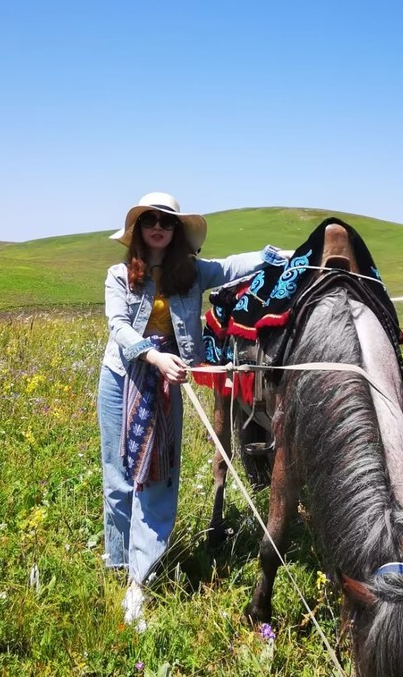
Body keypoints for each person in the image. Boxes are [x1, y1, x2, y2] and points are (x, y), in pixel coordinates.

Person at [98, 192, 283, 631]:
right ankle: (119, 563)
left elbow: (234, 267)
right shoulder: (119, 274)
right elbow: (118, 326)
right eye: (150, 221)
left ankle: (140, 579)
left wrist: (277, 255)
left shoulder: (192, 272)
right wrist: (153, 356)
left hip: (168, 380)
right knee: (119, 473)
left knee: (159, 474)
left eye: (166, 221)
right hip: (122, 377)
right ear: (139, 230)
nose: (158, 227)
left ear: (176, 230)